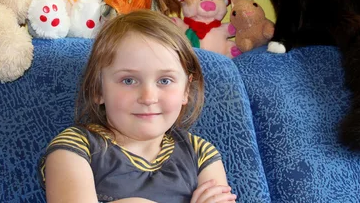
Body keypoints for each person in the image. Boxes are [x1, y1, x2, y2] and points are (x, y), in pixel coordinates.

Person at [39, 10, 236, 203]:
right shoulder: (76, 147)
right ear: (98, 89)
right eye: (129, 80)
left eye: (165, 81)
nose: (148, 97)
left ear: (186, 90)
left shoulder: (200, 153)